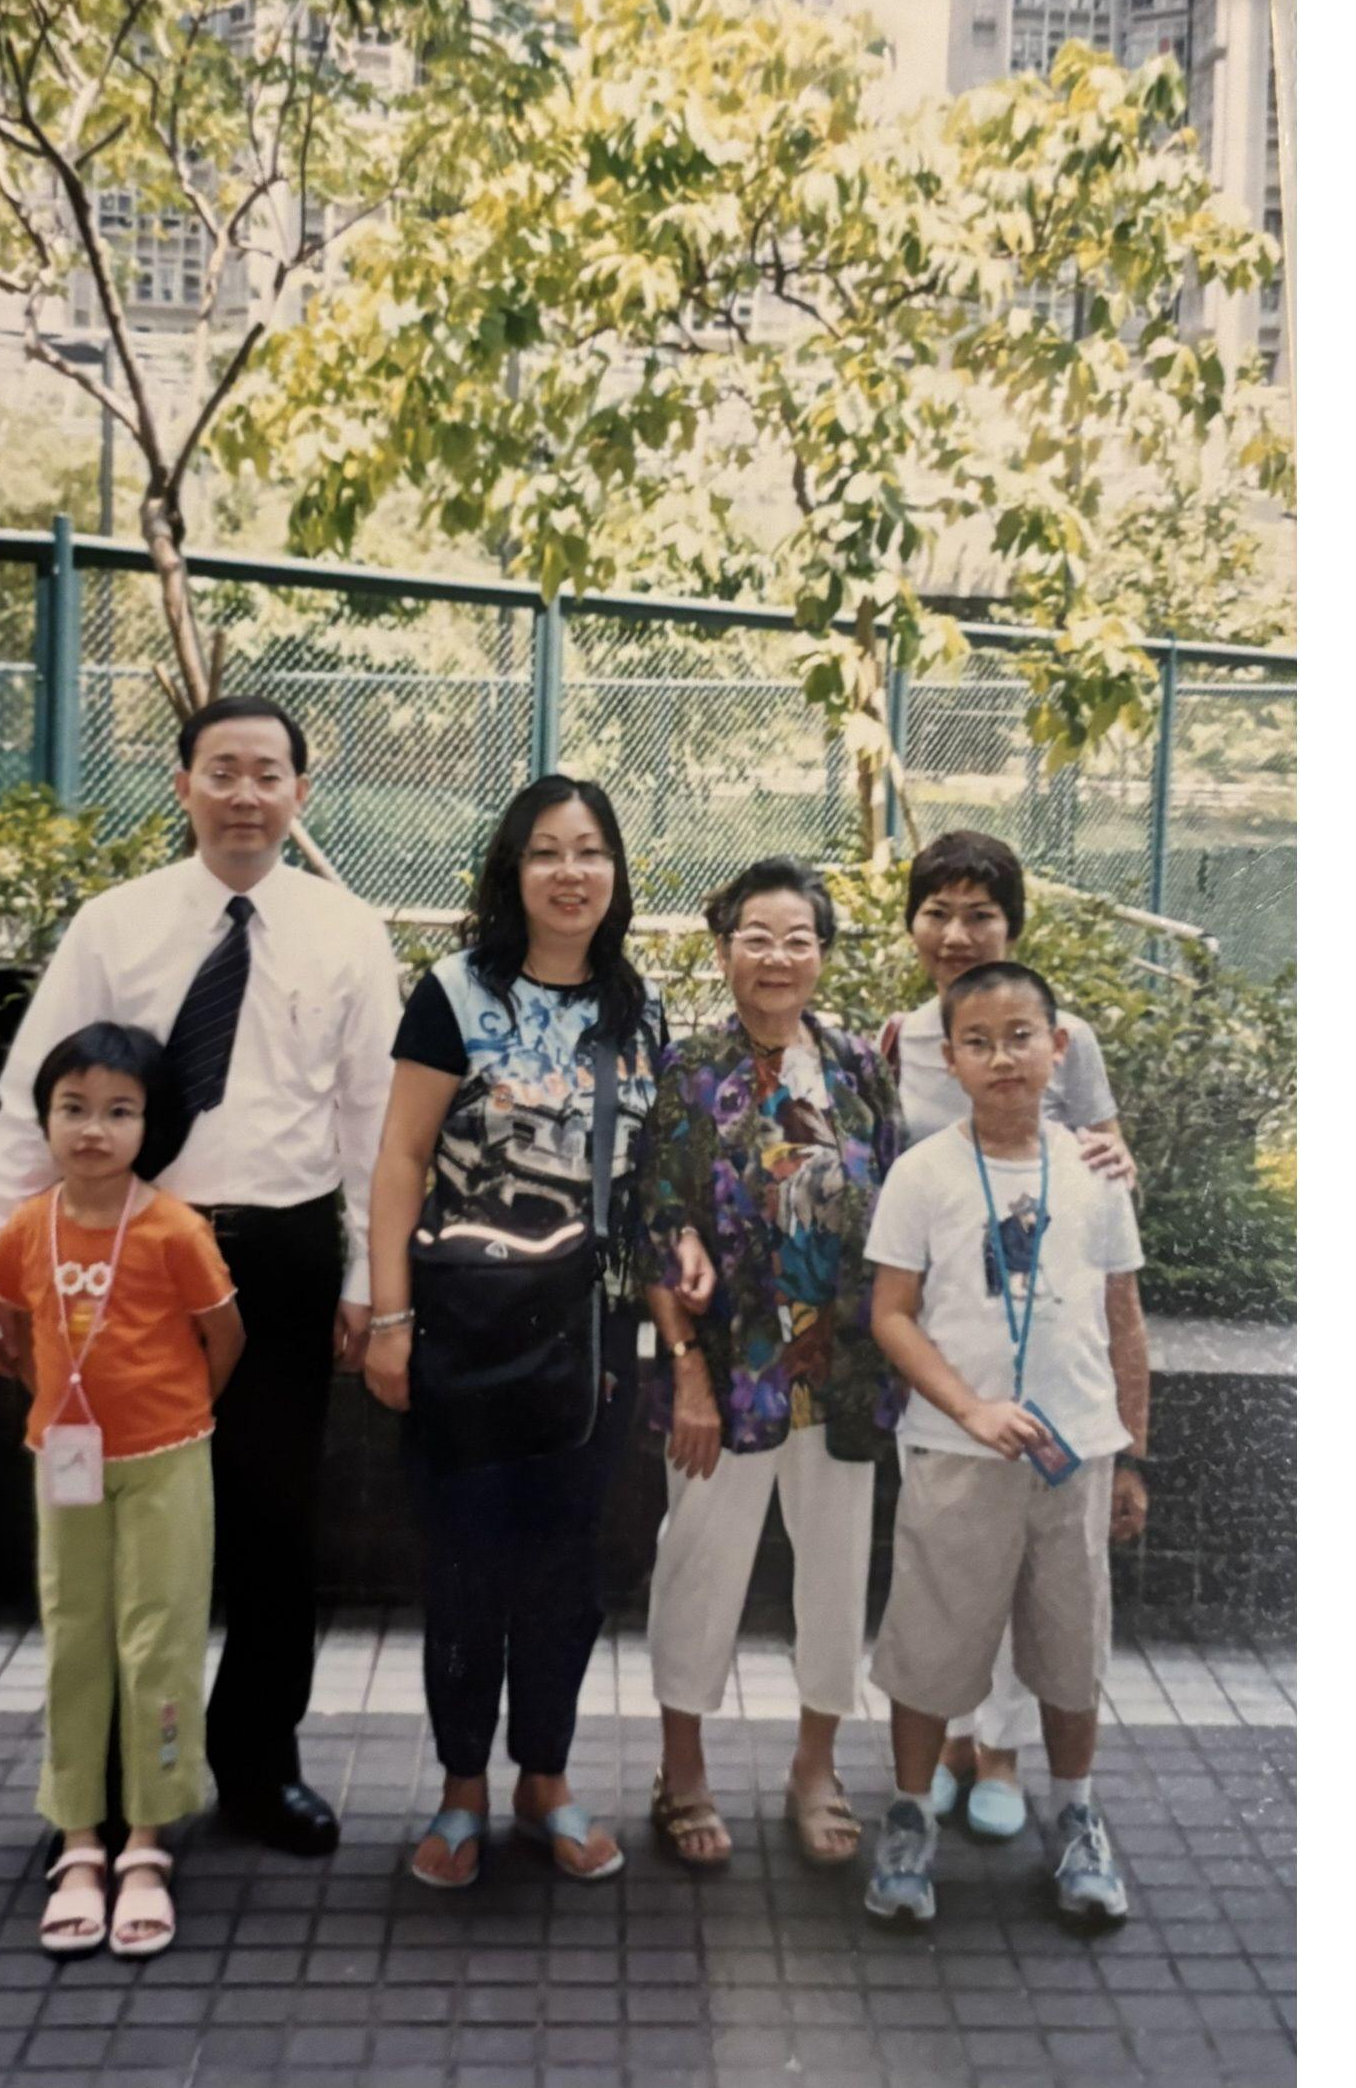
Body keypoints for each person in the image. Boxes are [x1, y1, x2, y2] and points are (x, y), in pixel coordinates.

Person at [0, 695, 401, 1857]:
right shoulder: (117, 925)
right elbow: (33, 1098)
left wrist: (367, 1277)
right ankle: (108, 1778)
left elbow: (372, 1121)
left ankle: (257, 1763)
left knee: (272, 1521)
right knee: (108, 1525)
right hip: (124, 1257)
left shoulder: (348, 930)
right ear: (183, 784)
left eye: (269, 774)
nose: (246, 794)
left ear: (303, 791)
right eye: (223, 772)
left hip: (287, 1253)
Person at [363, 776, 662, 1887]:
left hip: (589, 1345)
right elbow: (398, 1160)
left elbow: (645, 1176)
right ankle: (459, 1793)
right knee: (465, 1567)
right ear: (512, 871)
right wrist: (388, 1315)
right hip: (464, 1331)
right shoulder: (453, 994)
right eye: (546, 852)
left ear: (616, 873)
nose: (571, 873)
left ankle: (547, 1779)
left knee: (566, 1573)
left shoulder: (639, 1006)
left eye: (590, 852)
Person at [861, 960, 1151, 1928]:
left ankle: (1076, 1816)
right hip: (956, 1454)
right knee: (930, 1650)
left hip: (1075, 1459)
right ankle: (908, 1820)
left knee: (1071, 1652)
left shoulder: (1097, 1173)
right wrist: (971, 1408)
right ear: (952, 1061)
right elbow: (892, 1316)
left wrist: (1133, 1453)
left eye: (1022, 1036)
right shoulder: (925, 1172)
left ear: (1058, 1048)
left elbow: (1123, 1316)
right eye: (978, 1042)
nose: (1003, 1058)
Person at [637, 857, 903, 1869]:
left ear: (823, 955)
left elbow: (901, 1203)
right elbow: (656, 1217)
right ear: (723, 950)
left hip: (837, 1378)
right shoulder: (689, 1071)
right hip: (725, 1375)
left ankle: (815, 1767)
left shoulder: (855, 1069)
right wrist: (689, 1367)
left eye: (799, 938)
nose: (778, 956)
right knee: (698, 1567)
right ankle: (684, 1770)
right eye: (757, 936)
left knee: (835, 1580)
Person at [0, 1023, 245, 1956]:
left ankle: (146, 1840)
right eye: (74, 1109)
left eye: (119, 1112)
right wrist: (72, 1411)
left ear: (151, 1124)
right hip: (66, 1461)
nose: (94, 1130)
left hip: (168, 1458)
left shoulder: (176, 1229)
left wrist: (173, 1415)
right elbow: (18, 1342)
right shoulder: (25, 1228)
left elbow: (226, 1341)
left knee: (159, 1638)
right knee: (74, 1634)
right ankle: (80, 1836)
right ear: (46, 1117)